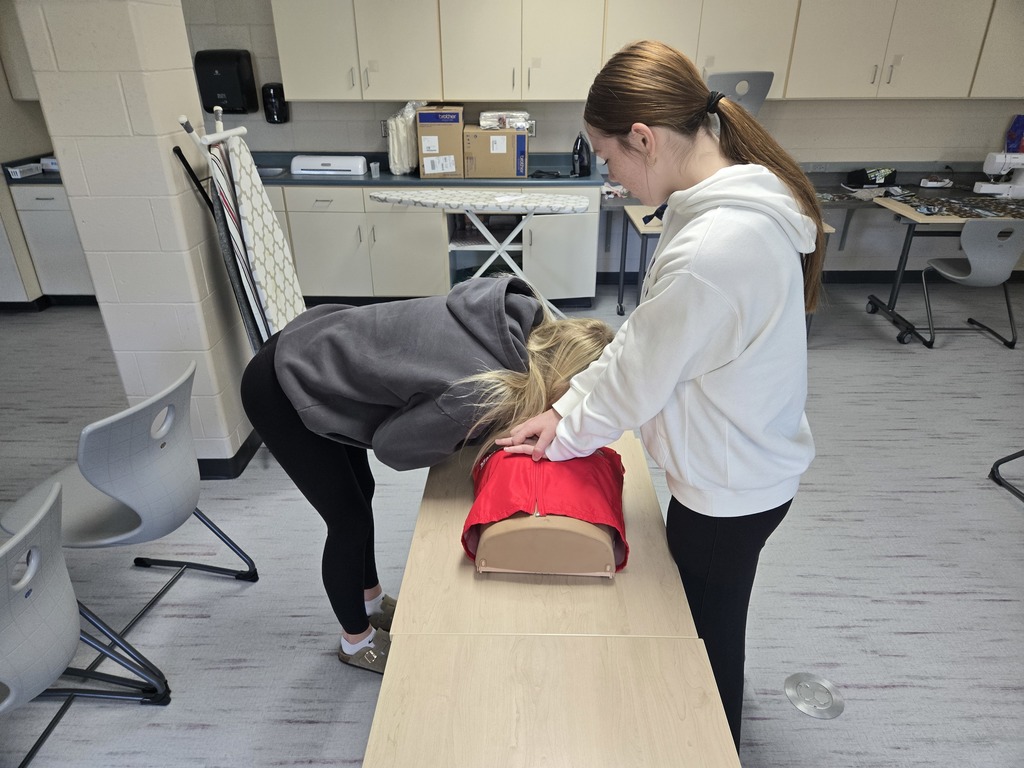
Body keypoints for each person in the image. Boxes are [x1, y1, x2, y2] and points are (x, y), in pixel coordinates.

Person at [497, 40, 826, 748]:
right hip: (746, 466)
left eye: (609, 159)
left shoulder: (717, 247)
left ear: (643, 138)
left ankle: (708, 746)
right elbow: (651, 342)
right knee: (712, 620)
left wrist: (565, 423)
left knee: (702, 644)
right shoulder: (724, 202)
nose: (611, 176)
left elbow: (641, 370)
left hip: (729, 489)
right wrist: (571, 405)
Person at [239, 274, 613, 674]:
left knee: (359, 492)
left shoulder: (512, 319)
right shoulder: (480, 388)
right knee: (346, 520)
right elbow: (392, 447)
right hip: (284, 385)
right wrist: (471, 428)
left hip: (316, 343)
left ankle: (370, 601)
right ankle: (356, 643)